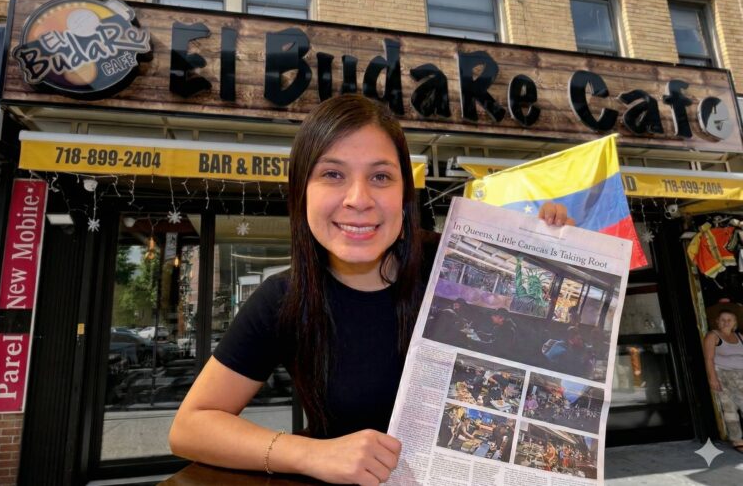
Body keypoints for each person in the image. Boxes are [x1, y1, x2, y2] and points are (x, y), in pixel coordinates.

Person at [168, 94, 572, 485]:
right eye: (332, 174)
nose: (359, 199)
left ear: (403, 193)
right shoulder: (285, 299)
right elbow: (190, 426)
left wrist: (547, 242)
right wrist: (311, 455)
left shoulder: (454, 264)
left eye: (380, 176)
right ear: (301, 191)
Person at [703, 309, 743, 453]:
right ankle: (737, 440)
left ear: (735, 323)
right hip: (723, 375)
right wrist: (712, 378)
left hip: (741, 376)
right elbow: (709, 359)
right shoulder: (713, 336)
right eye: (723, 319)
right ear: (717, 322)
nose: (726, 322)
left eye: (729, 319)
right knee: (730, 408)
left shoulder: (740, 336)